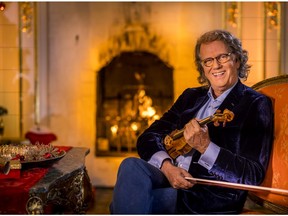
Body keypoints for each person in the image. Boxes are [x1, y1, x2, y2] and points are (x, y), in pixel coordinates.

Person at [110, 29, 274, 214]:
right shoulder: (191, 96)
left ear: (236, 60)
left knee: (126, 201)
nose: (216, 66)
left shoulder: (255, 103)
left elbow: (253, 174)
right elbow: (147, 137)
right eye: (208, 61)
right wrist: (167, 167)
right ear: (203, 67)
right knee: (130, 165)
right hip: (170, 174)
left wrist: (206, 147)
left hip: (205, 195)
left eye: (223, 57)